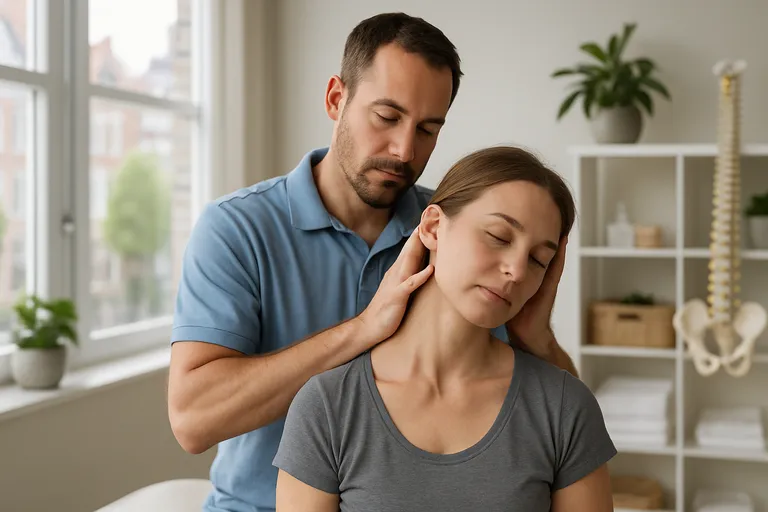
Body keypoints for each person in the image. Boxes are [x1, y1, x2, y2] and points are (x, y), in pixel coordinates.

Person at [168, 12, 579, 512]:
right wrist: (362, 331)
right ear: (336, 99)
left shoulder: (453, 228)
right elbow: (193, 422)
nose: (405, 150)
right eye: (387, 117)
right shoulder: (237, 229)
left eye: (428, 129)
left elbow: (567, 436)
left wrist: (538, 340)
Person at [272, 146, 617, 511]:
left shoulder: (564, 407)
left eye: (538, 260)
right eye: (499, 237)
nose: (517, 270)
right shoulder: (327, 406)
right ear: (434, 227)